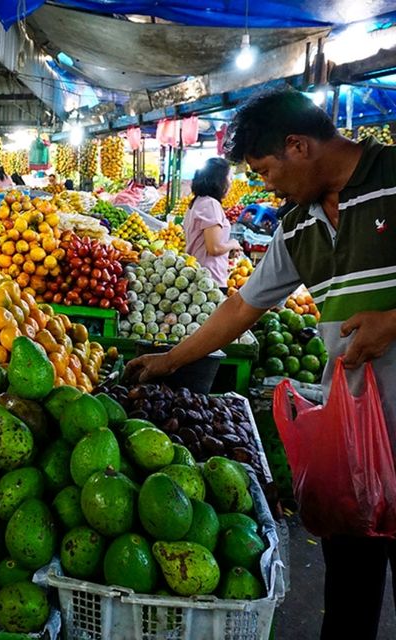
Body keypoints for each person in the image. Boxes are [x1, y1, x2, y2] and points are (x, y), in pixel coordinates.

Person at [125, 86, 396, 640]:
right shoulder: (295, 226)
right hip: (354, 440)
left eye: (266, 169)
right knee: (348, 600)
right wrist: (170, 360)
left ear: (298, 146)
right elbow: (243, 305)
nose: (265, 184)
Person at [182, 157, 242, 288]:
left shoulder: (198, 202)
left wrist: (227, 250)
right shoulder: (211, 204)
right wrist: (232, 244)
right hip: (210, 279)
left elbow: (206, 244)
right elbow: (214, 248)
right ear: (219, 180)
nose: (231, 183)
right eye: (229, 178)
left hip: (198, 275)